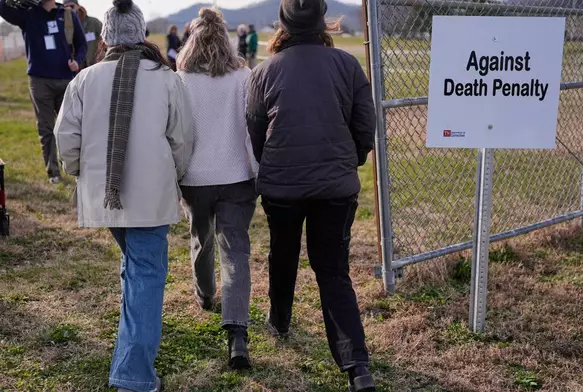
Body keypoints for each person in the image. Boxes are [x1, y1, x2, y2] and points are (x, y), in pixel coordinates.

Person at [54, 0, 193, 391]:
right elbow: (182, 140)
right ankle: (132, 375)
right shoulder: (166, 78)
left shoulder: (84, 79)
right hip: (151, 200)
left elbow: (67, 140)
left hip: (105, 195)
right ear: (142, 34)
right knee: (146, 274)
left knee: (136, 269)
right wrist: (174, 176)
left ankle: (131, 355)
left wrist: (84, 175)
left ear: (105, 37)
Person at [246, 0, 376, 391]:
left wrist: (273, 165)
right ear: (324, 22)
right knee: (332, 270)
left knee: (283, 254)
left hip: (282, 186)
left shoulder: (263, 72)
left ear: (282, 24)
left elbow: (254, 132)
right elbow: (364, 125)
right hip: (335, 187)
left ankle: (279, 319)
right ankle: (357, 367)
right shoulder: (347, 66)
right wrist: (347, 160)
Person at [176, 6, 258, 370]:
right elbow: (253, 129)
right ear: (227, 40)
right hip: (238, 176)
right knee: (235, 249)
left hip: (194, 178)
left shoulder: (180, 79)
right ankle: (237, 332)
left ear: (192, 40)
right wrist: (259, 172)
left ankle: (206, 293)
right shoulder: (243, 76)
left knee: (201, 237)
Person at [0, 0, 87, 184]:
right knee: (46, 128)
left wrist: (78, 61)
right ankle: (53, 172)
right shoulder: (28, 14)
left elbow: (82, 45)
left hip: (65, 80)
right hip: (40, 81)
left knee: (71, 126)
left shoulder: (68, 15)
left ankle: (77, 167)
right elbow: (3, 8)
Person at [64, 0, 103, 67]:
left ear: (78, 7)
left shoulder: (94, 23)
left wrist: (101, 58)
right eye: (66, 7)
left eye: (72, 6)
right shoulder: (63, 26)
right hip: (75, 67)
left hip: (94, 65)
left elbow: (106, 41)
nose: (69, 9)